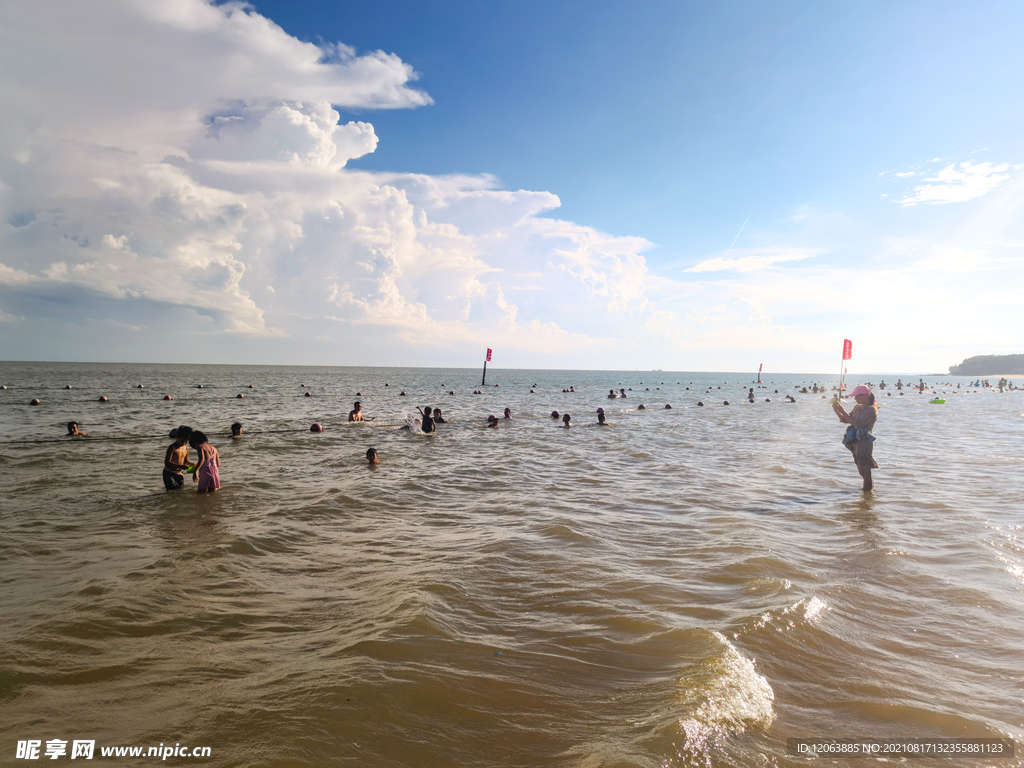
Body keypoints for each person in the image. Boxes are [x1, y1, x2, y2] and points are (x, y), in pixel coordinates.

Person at [832, 384, 879, 492]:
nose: (855, 398)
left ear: (866, 396)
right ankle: (867, 494)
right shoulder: (857, 407)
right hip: (855, 442)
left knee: (865, 471)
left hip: (864, 443)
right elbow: (845, 420)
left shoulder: (871, 410)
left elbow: (857, 424)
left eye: (857, 396)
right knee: (861, 471)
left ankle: (867, 493)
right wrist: (837, 410)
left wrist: (842, 410)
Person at [163, 426, 193, 490]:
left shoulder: (186, 448)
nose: (184, 443)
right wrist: (182, 466)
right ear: (177, 437)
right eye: (182, 441)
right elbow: (167, 463)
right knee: (171, 490)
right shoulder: (172, 448)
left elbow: (186, 461)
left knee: (180, 490)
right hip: (169, 473)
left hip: (179, 473)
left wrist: (193, 464)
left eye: (186, 441)